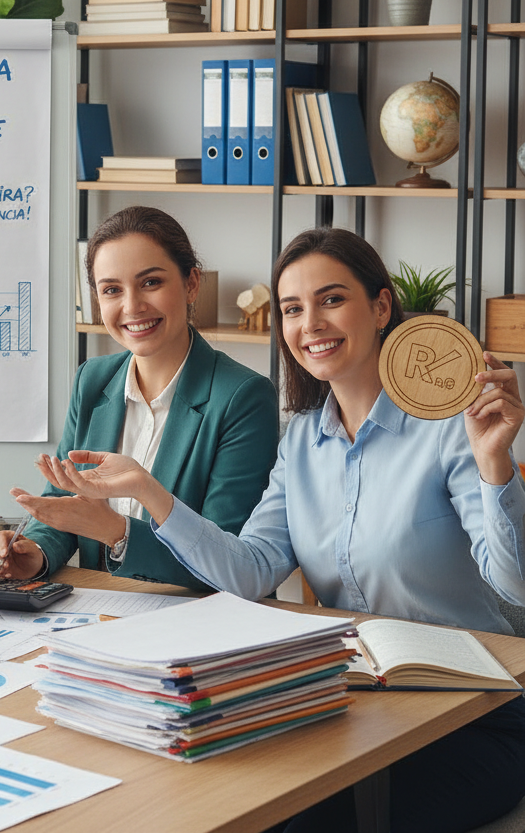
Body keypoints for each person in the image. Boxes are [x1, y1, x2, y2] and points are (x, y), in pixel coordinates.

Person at [38, 226, 525, 833]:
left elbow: (515, 588)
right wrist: (147, 492)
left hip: (469, 717)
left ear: (379, 307)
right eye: (293, 308)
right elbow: (250, 572)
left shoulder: (454, 429)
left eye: (331, 299)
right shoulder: (302, 443)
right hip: (356, 710)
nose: (310, 323)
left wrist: (495, 463)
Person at [0, 205, 279, 588]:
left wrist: (118, 533)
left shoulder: (243, 397)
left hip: (197, 623)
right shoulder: (93, 380)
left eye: (151, 282)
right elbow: (61, 503)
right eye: (111, 290)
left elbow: (229, 562)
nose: (132, 306)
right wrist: (34, 554)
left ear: (191, 283)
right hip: (102, 615)